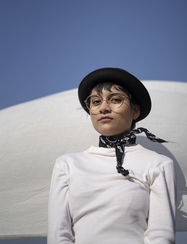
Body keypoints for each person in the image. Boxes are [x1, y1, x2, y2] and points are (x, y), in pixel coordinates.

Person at [48, 67, 176, 244]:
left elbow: (161, 236)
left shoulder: (158, 164)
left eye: (115, 100)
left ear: (135, 111)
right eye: (95, 102)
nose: (104, 108)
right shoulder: (67, 164)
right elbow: (58, 235)